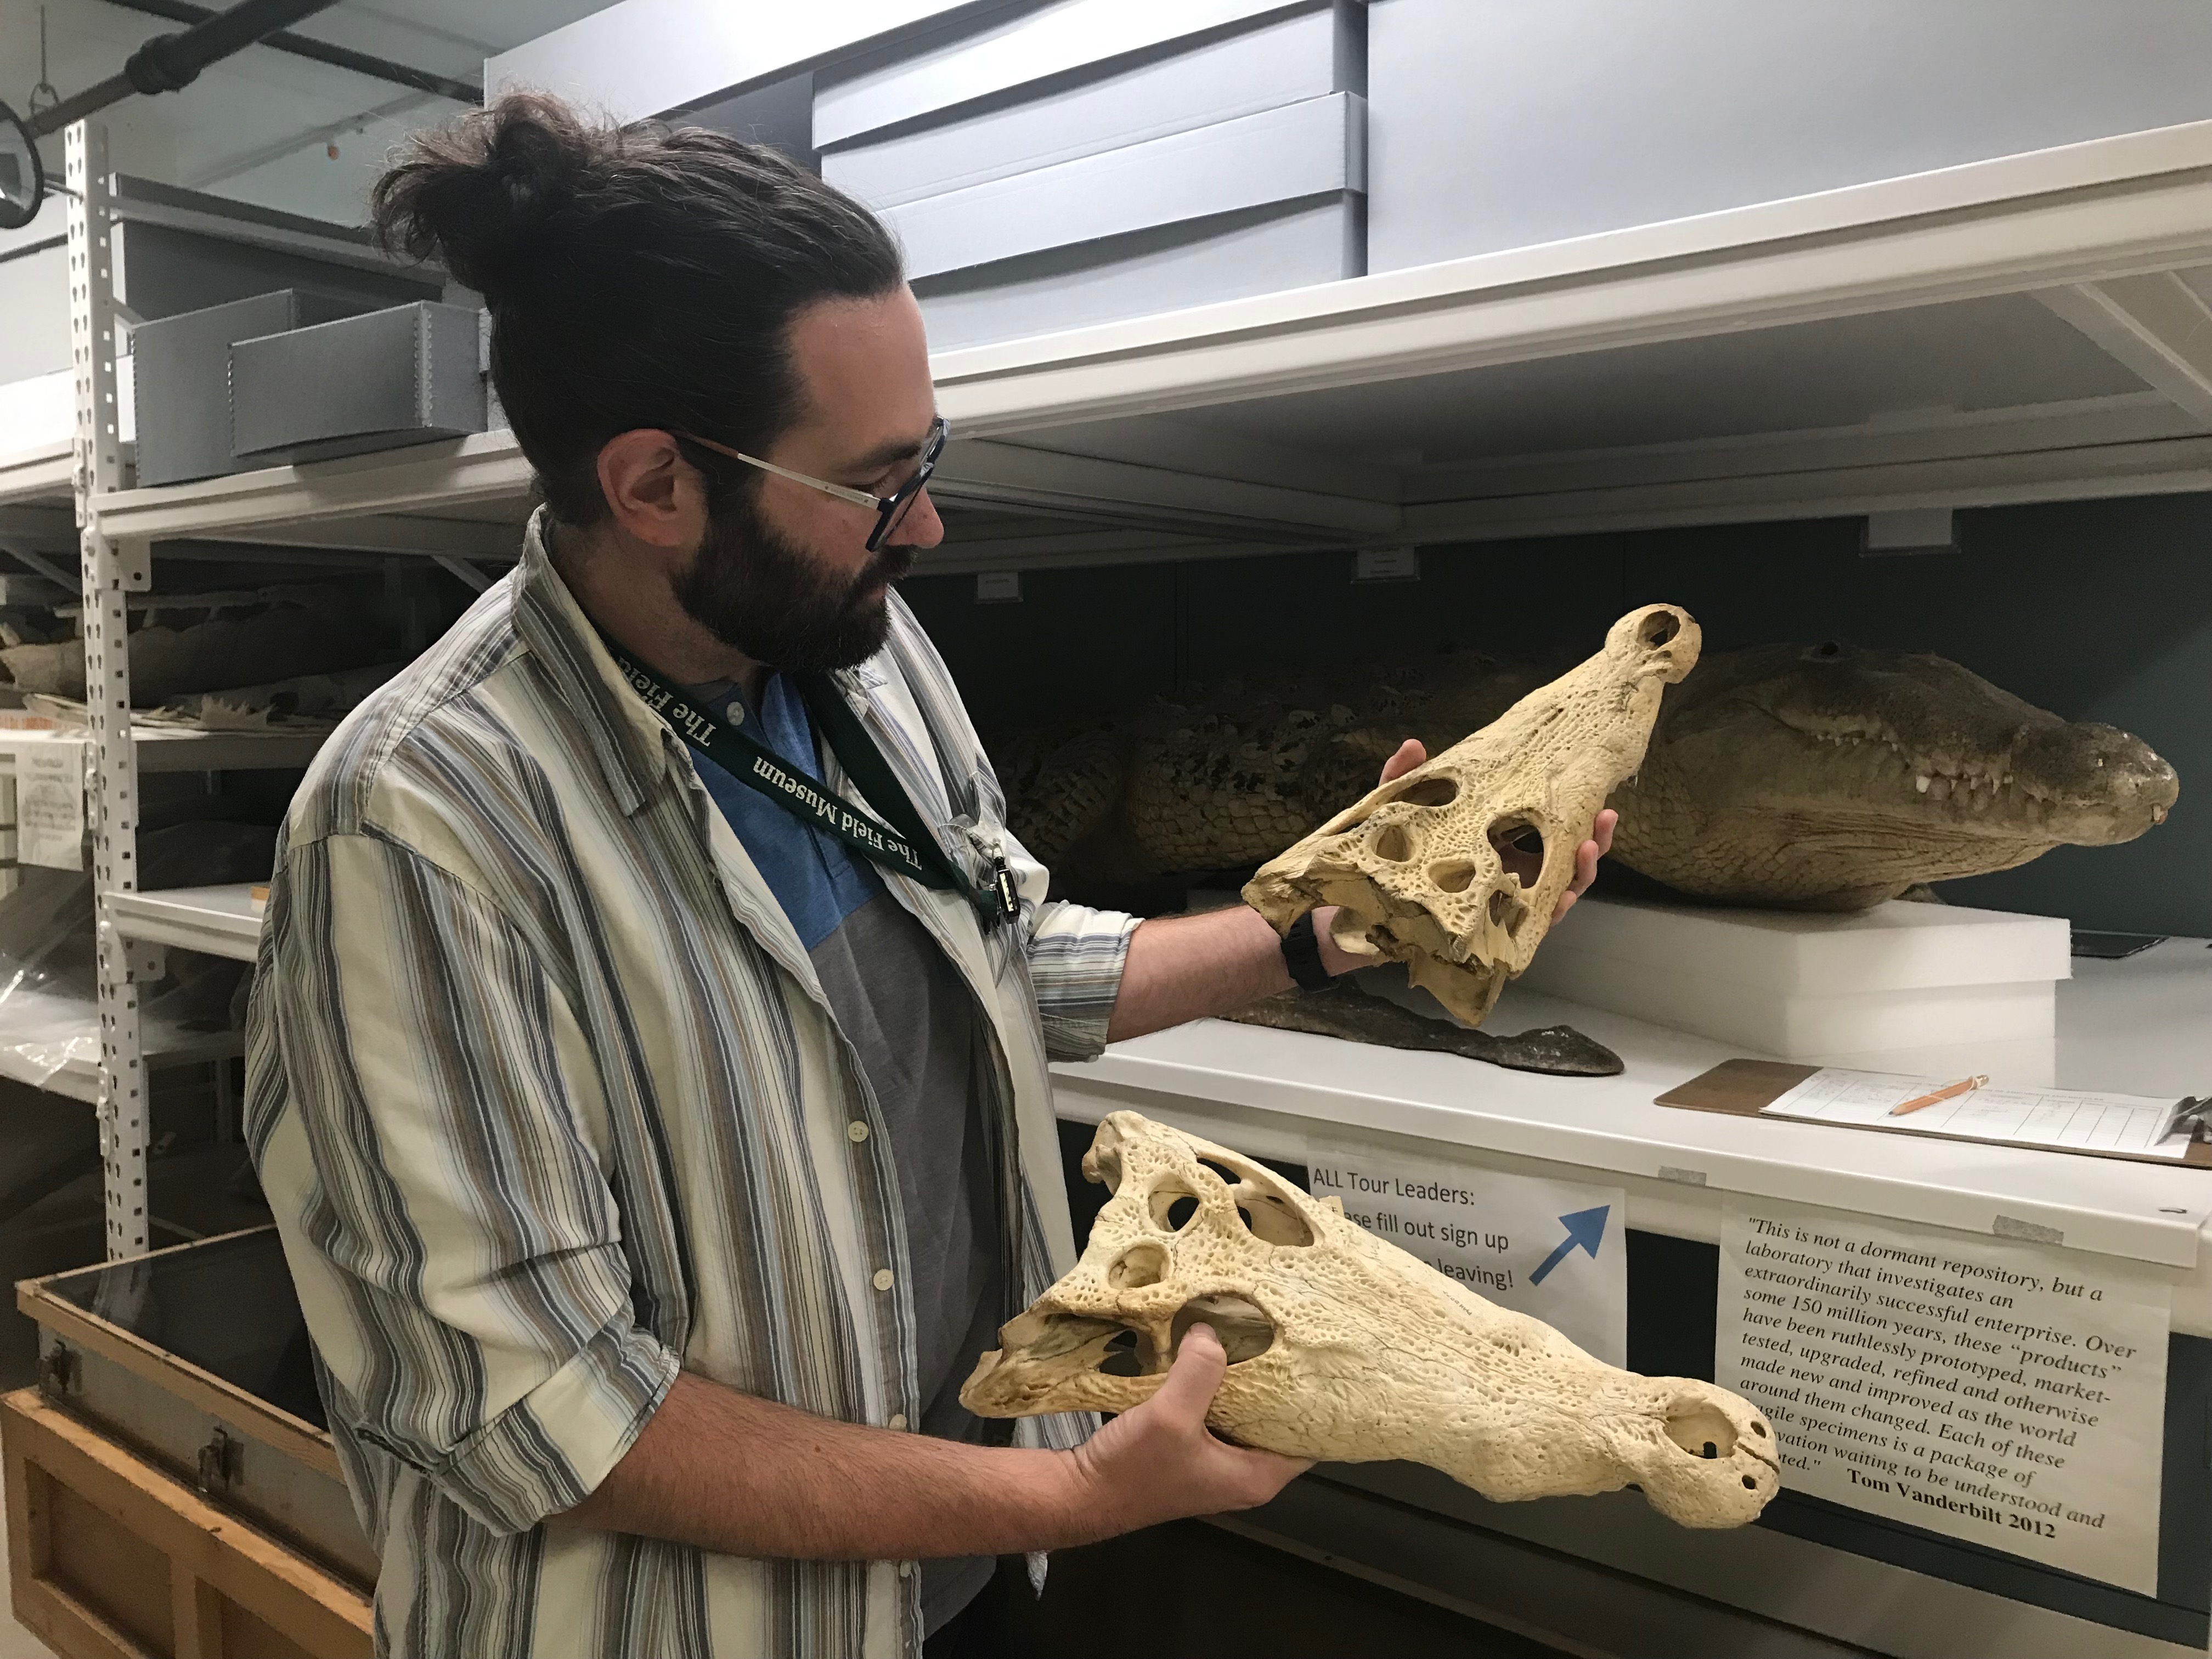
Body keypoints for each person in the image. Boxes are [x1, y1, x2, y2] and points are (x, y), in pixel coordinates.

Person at [244, 93, 1611, 1659]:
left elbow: (998, 957)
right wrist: (1077, 1498)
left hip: (954, 1584)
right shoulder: (420, 830)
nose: (932, 520)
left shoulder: (861, 663)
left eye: (930, 454)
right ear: (653, 487)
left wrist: (1332, 931)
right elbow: (546, 1411)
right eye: (878, 480)